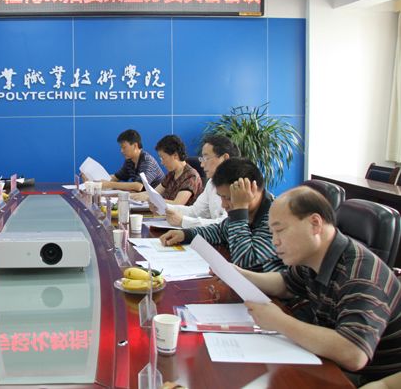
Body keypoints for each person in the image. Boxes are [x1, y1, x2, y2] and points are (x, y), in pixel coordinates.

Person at [238, 186, 401, 385]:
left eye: (280, 230)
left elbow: (354, 353)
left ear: (315, 224)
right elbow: (286, 285)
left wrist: (279, 321)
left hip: (368, 377)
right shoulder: (314, 256)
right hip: (330, 359)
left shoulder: (361, 275)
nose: (275, 242)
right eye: (272, 233)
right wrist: (240, 275)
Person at [160, 158, 283, 272]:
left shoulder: (276, 218)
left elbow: (245, 262)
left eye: (228, 198)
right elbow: (220, 231)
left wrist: (239, 210)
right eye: (221, 197)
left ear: (250, 189)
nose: (223, 205)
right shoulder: (250, 211)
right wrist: (186, 234)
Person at [164, 135, 240, 228]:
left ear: (225, 158)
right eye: (202, 159)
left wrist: (183, 221)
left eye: (206, 158)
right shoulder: (212, 182)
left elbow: (226, 225)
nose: (202, 164)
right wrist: (165, 207)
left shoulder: (240, 185)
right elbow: (195, 211)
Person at [131, 134, 202, 205]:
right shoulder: (171, 174)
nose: (162, 163)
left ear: (175, 155)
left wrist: (149, 199)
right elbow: (153, 192)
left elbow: (177, 204)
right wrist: (129, 196)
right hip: (165, 211)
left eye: (163, 158)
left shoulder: (191, 177)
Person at [96, 129, 164, 192]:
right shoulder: (129, 160)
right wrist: (97, 182)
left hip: (158, 198)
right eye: (121, 148)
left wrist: (108, 184)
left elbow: (138, 186)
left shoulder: (147, 161)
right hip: (142, 197)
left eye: (124, 147)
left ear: (135, 146)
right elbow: (116, 177)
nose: (121, 151)